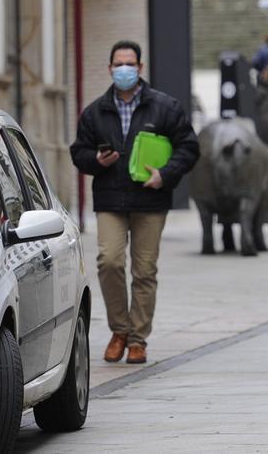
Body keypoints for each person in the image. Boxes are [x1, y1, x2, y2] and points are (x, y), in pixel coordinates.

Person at [69, 40, 200, 364]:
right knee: (109, 261)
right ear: (110, 68)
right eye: (118, 64)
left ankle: (138, 339)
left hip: (150, 200)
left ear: (140, 68)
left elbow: (189, 147)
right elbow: (78, 152)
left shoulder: (165, 107)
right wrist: (96, 160)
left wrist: (166, 174)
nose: (124, 69)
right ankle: (120, 330)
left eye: (130, 64)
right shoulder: (96, 111)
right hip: (111, 199)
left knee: (144, 271)